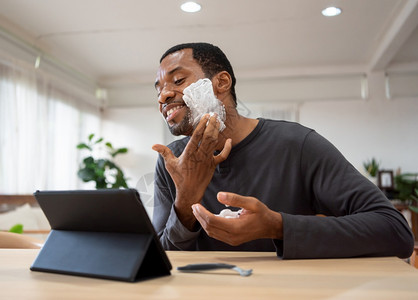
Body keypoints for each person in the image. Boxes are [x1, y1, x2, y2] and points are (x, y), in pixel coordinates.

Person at [151, 42, 414, 259]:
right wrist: (184, 204)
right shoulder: (169, 163)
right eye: (159, 88)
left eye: (178, 80)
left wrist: (278, 226)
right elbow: (157, 258)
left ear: (221, 82)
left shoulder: (297, 144)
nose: (163, 96)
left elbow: (395, 231)